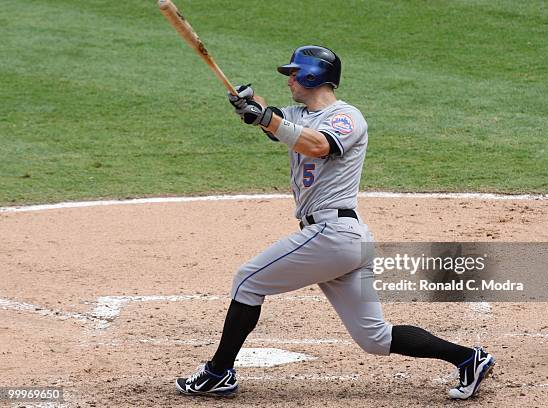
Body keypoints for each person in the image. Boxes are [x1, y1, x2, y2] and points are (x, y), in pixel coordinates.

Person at [175, 45, 495, 400]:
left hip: (332, 234)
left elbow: (318, 145)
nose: (290, 80)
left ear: (315, 74)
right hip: (343, 241)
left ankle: (218, 372)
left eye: (295, 73)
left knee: (247, 282)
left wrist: (265, 117)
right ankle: (469, 358)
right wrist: (250, 105)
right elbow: (276, 120)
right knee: (375, 338)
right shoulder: (298, 114)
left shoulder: (347, 117)